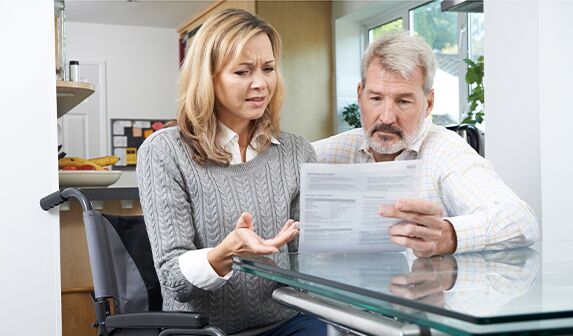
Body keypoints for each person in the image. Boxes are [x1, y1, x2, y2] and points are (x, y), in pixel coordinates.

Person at [137, 9, 324, 335]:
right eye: (242, 71)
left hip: (285, 322)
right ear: (208, 77)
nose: (261, 83)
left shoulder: (297, 151)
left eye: (268, 69)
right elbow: (172, 278)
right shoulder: (164, 152)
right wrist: (225, 254)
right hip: (200, 329)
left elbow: (308, 259)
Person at [313, 31, 538, 258]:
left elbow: (520, 220)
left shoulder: (445, 151)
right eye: (376, 99)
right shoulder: (332, 151)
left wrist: (449, 234)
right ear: (360, 96)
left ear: (428, 103)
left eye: (403, 101)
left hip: (425, 291)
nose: (387, 117)